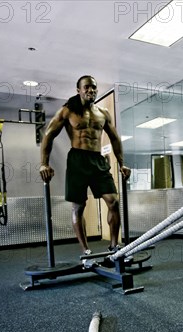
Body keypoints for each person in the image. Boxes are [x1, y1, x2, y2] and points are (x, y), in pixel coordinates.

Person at [39, 75, 131, 256]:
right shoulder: (67, 111)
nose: (91, 90)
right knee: (78, 207)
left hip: (98, 160)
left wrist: (122, 164)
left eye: (94, 88)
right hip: (77, 160)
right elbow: (49, 135)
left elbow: (115, 139)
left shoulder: (103, 113)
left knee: (113, 202)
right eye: (87, 87)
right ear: (78, 90)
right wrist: (44, 164)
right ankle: (86, 251)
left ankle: (114, 248)